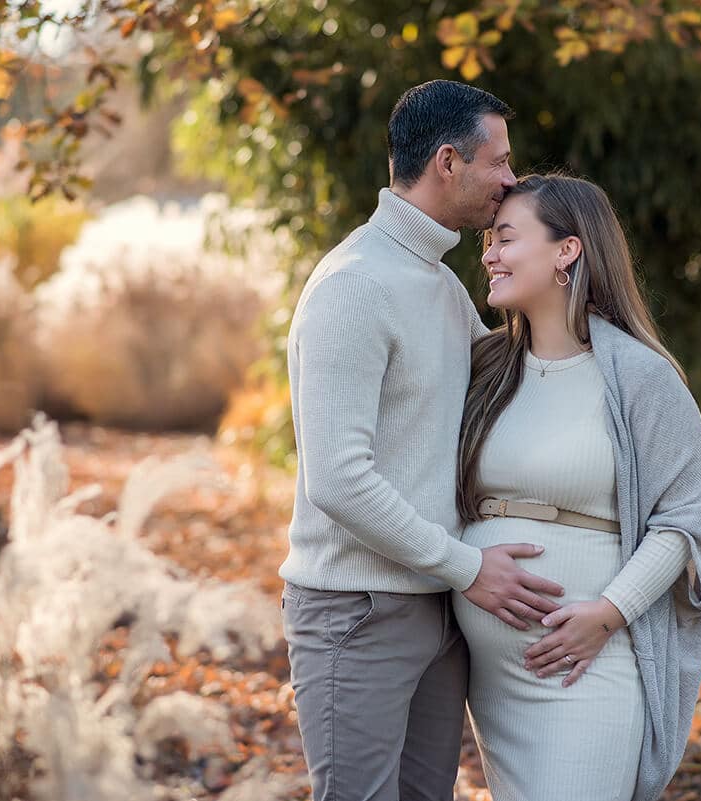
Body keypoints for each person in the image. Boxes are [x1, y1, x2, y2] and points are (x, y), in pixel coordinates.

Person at [278, 82, 566, 801]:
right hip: (359, 611)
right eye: (498, 163)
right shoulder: (354, 285)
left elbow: (508, 384)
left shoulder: (433, 283)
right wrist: (466, 565)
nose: (508, 182)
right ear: (447, 161)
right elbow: (339, 479)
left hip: (438, 605)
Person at [453, 174, 701, 801]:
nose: (488, 253)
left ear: (565, 251)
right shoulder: (488, 369)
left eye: (505, 238)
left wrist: (607, 614)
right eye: (488, 240)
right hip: (494, 684)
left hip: (587, 668)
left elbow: (685, 520)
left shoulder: (638, 376)